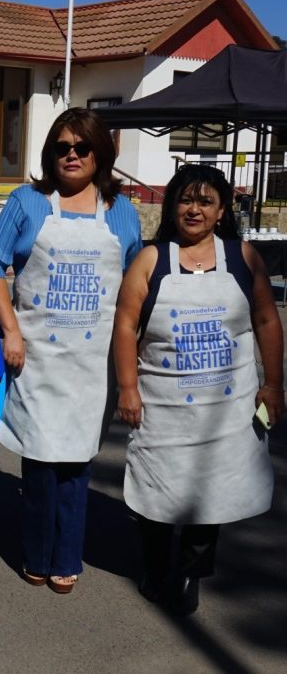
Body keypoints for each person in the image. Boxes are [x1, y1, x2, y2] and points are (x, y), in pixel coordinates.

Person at [0, 108, 142, 594]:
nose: (71, 155)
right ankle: (36, 551)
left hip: (92, 364)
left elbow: (135, 284)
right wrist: (10, 330)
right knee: (42, 462)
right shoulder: (27, 202)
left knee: (78, 463)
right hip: (39, 359)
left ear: (100, 154)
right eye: (62, 147)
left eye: (82, 147)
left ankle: (66, 556)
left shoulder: (122, 211)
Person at [113, 164, 281, 615]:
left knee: (213, 492)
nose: (194, 209)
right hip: (163, 407)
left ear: (222, 210)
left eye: (205, 201)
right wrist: (127, 387)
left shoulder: (243, 257)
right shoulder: (151, 259)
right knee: (155, 488)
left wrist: (273, 385)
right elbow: (126, 325)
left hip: (226, 411)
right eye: (186, 200)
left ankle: (190, 574)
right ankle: (156, 566)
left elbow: (266, 319)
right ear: (172, 206)